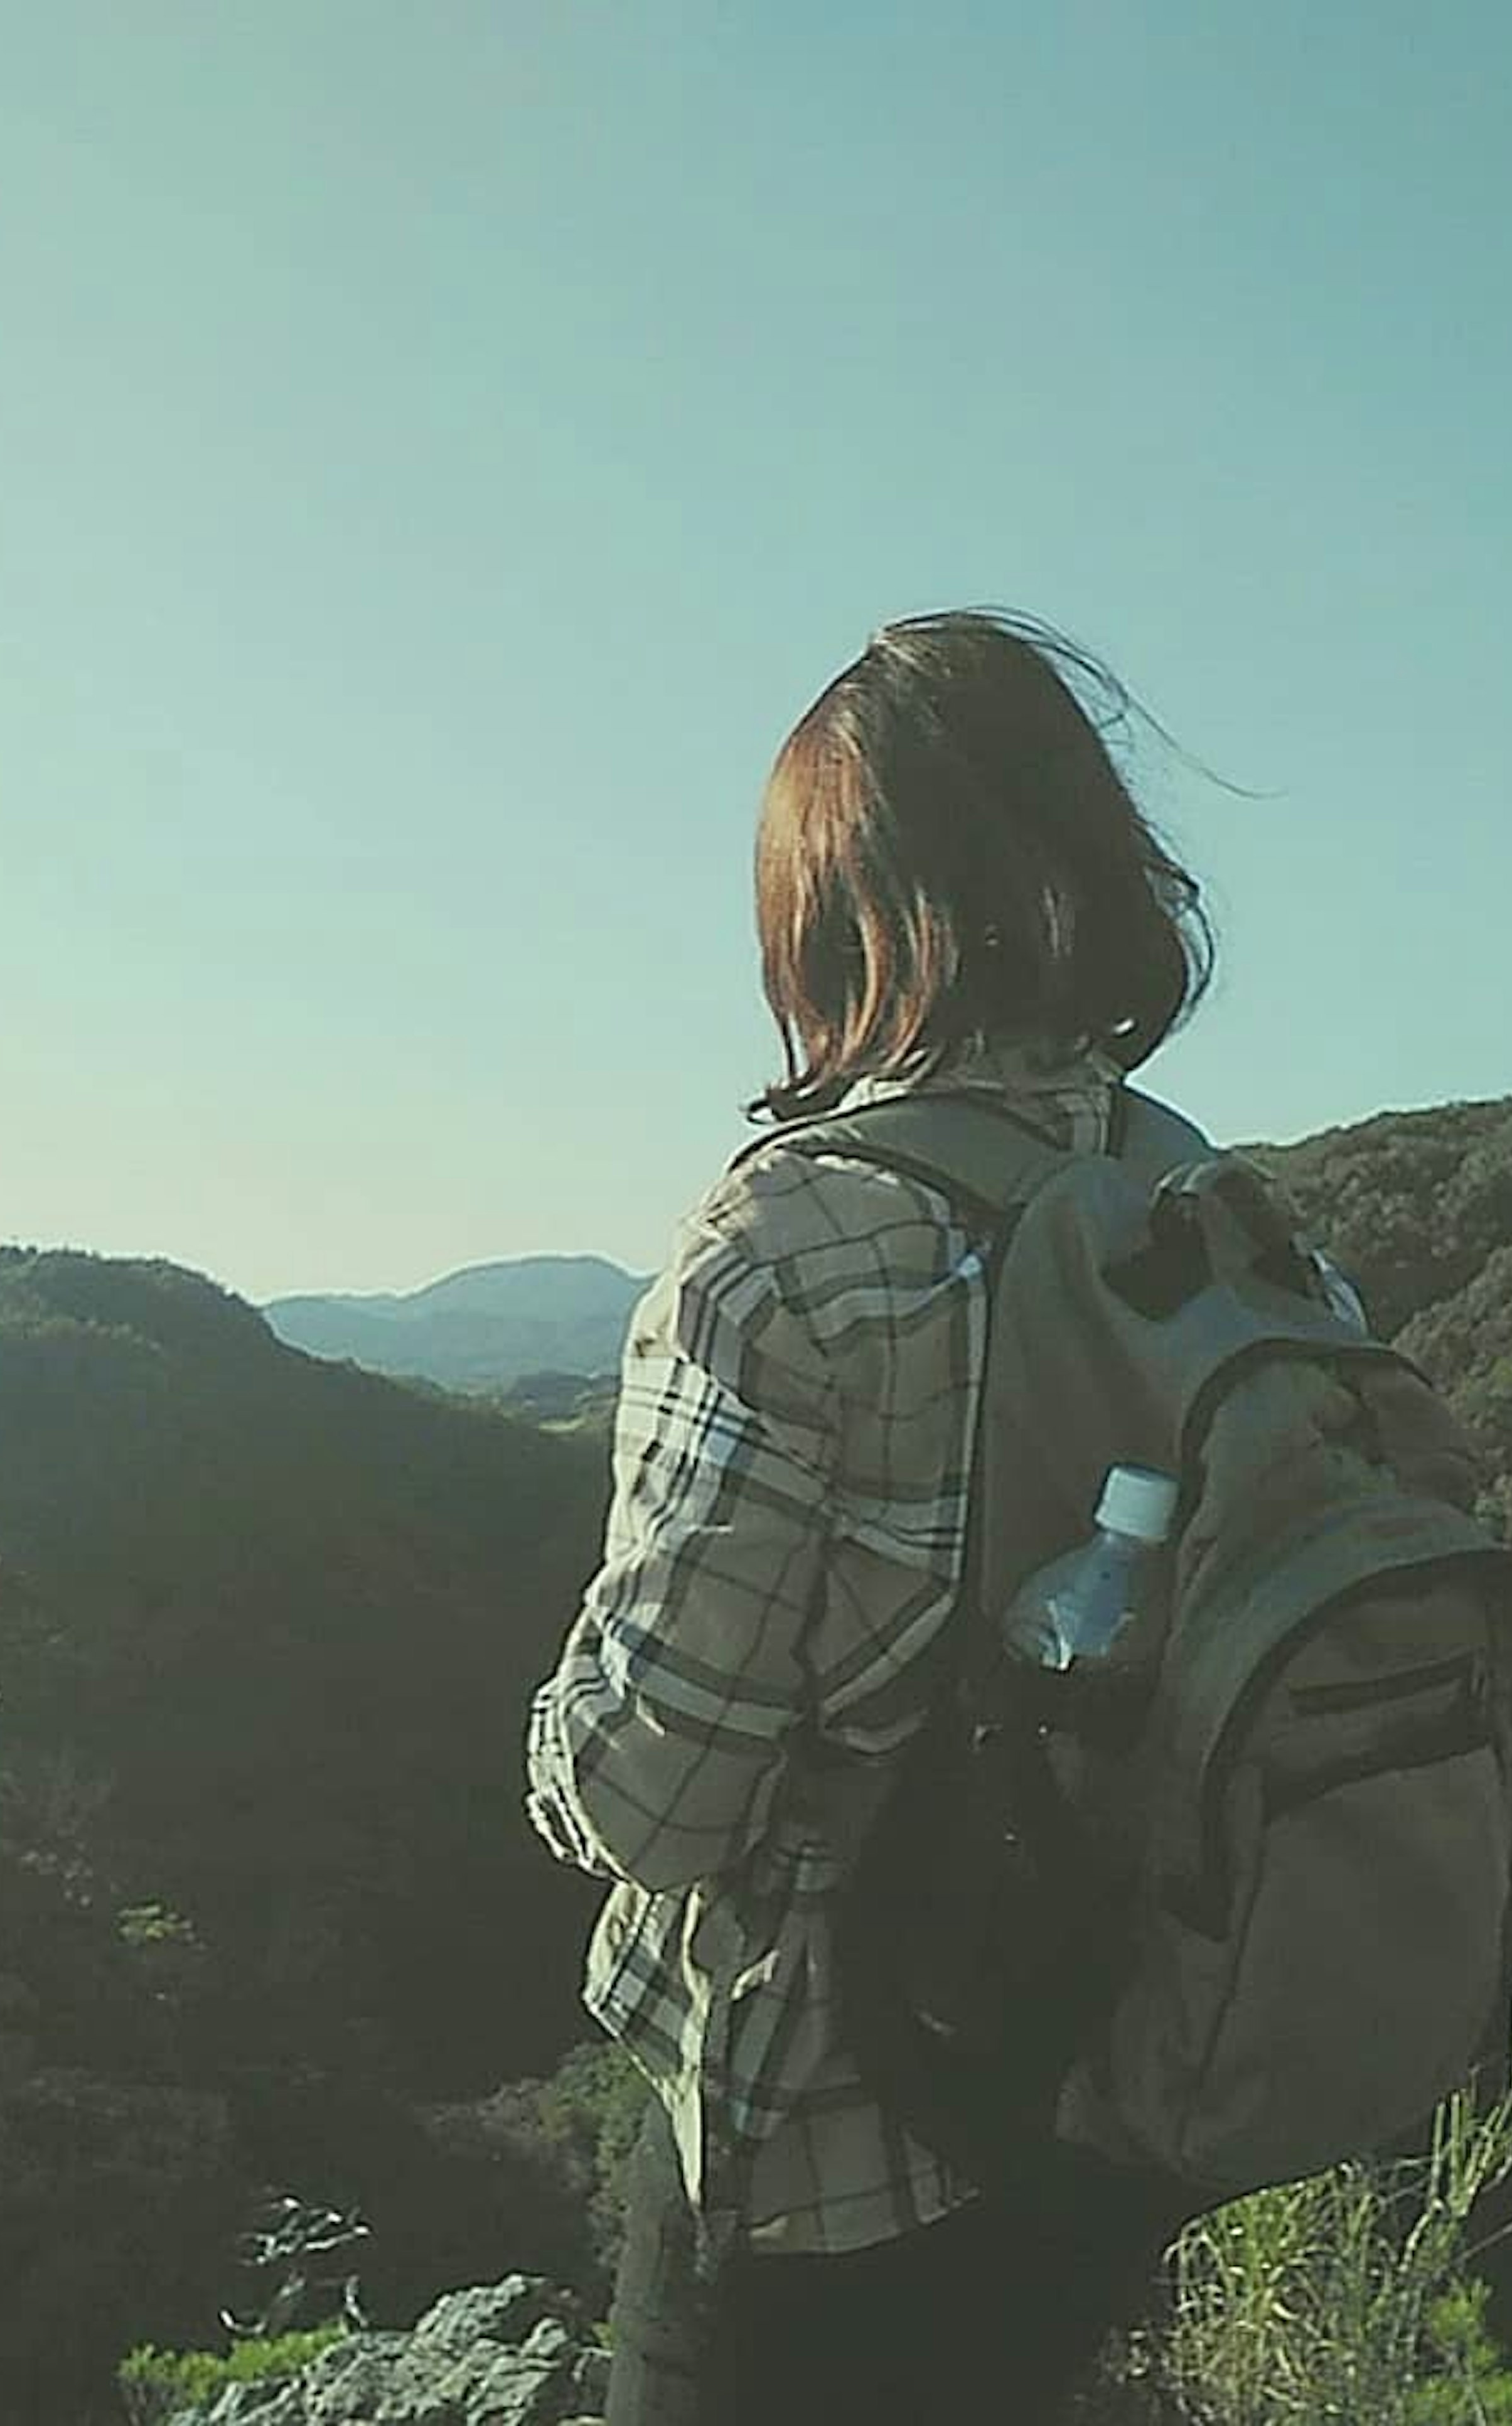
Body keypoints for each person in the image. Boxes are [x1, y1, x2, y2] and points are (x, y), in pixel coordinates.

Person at [525, 610, 1213, 2423]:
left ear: (834, 924)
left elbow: (649, 1797)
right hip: (1106, 2093)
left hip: (829, 2153)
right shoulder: (1196, 1209)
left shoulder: (789, 1248)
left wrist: (547, 1733)